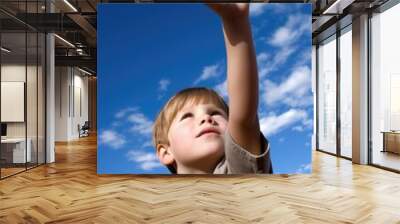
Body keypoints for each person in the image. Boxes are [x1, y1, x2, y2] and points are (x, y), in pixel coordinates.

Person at [152, 3, 272, 174]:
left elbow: (244, 118)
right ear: (165, 152)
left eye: (216, 113)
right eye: (187, 116)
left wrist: (235, 21)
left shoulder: (237, 170)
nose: (207, 118)